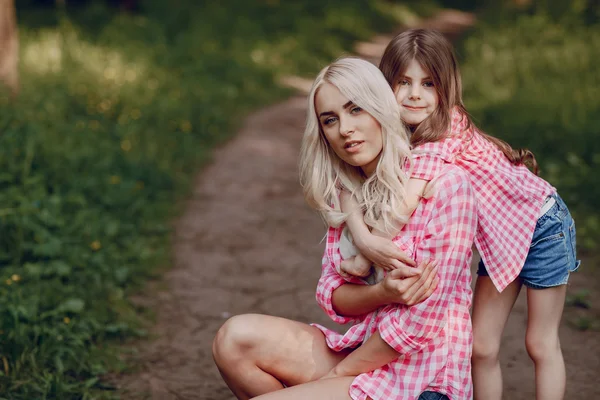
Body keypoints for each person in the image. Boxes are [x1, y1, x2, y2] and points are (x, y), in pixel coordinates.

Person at [212, 57, 477, 400]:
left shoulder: (445, 185)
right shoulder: (349, 193)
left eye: (356, 110)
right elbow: (333, 296)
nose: (345, 129)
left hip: (422, 380)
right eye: (330, 120)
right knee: (234, 339)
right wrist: (383, 294)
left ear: (380, 108)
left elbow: (419, 324)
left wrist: (335, 376)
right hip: (365, 357)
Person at [344, 29, 580, 400]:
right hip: (502, 237)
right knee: (481, 347)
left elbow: (401, 207)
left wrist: (362, 251)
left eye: (428, 83)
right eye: (403, 82)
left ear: (446, 88)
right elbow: (353, 187)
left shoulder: (442, 134)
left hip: (542, 225)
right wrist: (358, 225)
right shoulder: (405, 135)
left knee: (539, 342)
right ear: (385, 85)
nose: (415, 94)